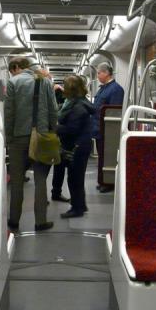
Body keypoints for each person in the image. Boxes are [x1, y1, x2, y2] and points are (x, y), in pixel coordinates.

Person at [5, 56, 58, 231]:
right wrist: (52, 132)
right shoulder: (45, 82)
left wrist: (8, 138)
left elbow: (9, 113)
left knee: (17, 181)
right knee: (41, 179)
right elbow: (53, 110)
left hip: (18, 137)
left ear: (18, 67)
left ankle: (14, 220)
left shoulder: (13, 82)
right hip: (41, 136)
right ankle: (40, 221)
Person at [57, 75, 94, 218]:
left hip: (77, 146)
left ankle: (76, 209)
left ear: (70, 89)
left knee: (74, 179)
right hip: (80, 144)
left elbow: (72, 129)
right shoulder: (78, 103)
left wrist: (55, 128)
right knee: (76, 177)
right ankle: (80, 205)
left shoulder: (78, 107)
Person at [91, 62, 124, 193]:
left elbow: (114, 113)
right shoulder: (103, 88)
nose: (98, 76)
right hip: (99, 129)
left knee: (107, 156)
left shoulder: (116, 89)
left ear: (106, 73)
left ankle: (109, 182)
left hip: (107, 131)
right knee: (102, 157)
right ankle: (103, 180)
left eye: (99, 73)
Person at [51, 82, 70, 203]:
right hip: (60, 136)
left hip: (62, 135)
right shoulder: (68, 101)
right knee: (59, 166)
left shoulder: (71, 101)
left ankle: (56, 192)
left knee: (60, 166)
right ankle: (56, 192)